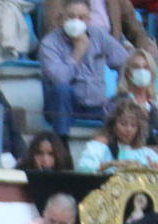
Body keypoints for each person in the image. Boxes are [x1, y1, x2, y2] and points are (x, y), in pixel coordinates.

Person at [39, 0, 128, 140]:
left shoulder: (98, 35)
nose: (76, 21)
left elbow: (125, 61)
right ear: (62, 18)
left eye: (81, 17)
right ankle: (62, 146)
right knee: (62, 90)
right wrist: (78, 51)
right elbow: (60, 78)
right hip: (64, 106)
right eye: (71, 17)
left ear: (89, 19)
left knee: (126, 100)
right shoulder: (50, 43)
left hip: (98, 105)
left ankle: (118, 150)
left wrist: (121, 86)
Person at [75, 99, 158, 172]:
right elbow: (83, 168)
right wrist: (111, 164)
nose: (128, 129)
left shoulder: (144, 152)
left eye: (133, 125)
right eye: (123, 124)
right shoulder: (101, 145)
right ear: (113, 124)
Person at [112, 48, 158, 145]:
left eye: (146, 67)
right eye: (136, 67)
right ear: (127, 73)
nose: (142, 71)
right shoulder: (116, 102)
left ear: (152, 73)